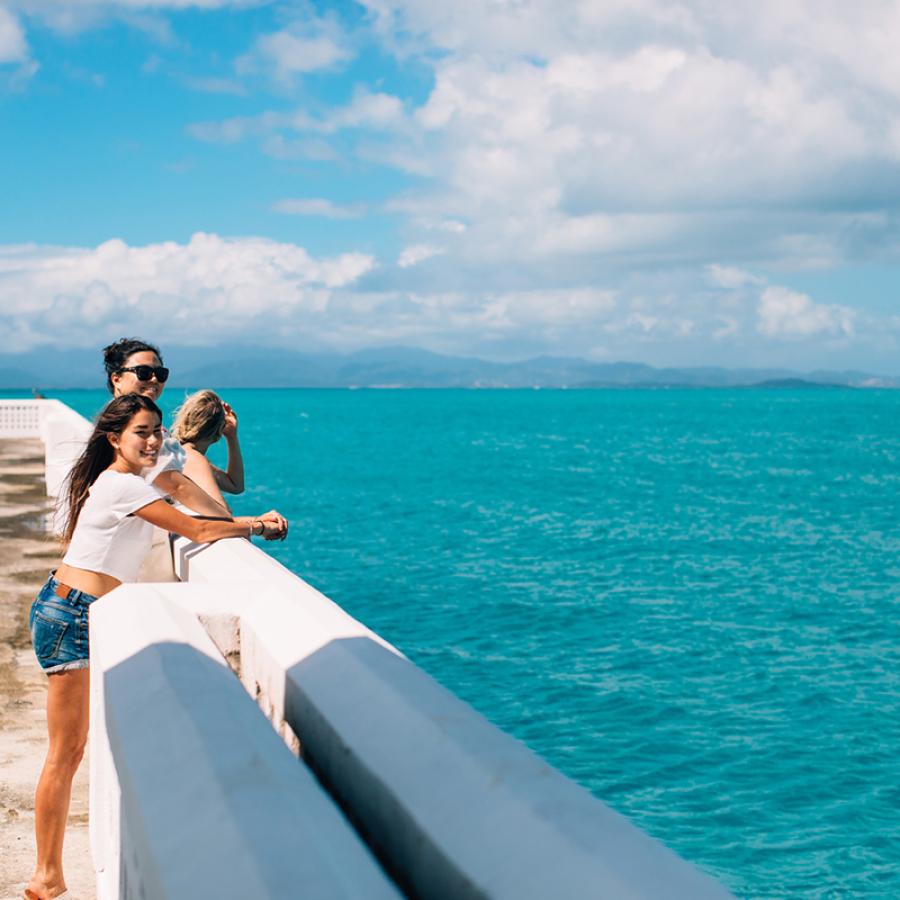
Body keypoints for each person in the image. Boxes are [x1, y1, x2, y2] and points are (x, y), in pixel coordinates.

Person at [25, 394, 287, 900]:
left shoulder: (135, 480)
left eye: (157, 431)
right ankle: (45, 875)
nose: (151, 440)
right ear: (113, 439)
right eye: (140, 432)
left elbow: (206, 502)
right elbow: (196, 527)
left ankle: (48, 874)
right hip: (71, 614)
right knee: (66, 751)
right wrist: (259, 523)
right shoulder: (122, 485)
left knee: (74, 747)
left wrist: (192, 459)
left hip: (74, 608)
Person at [171, 389, 243, 512]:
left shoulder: (179, 452)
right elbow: (224, 514)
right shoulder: (193, 458)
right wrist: (258, 524)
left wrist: (232, 437)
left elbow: (235, 485)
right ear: (218, 433)